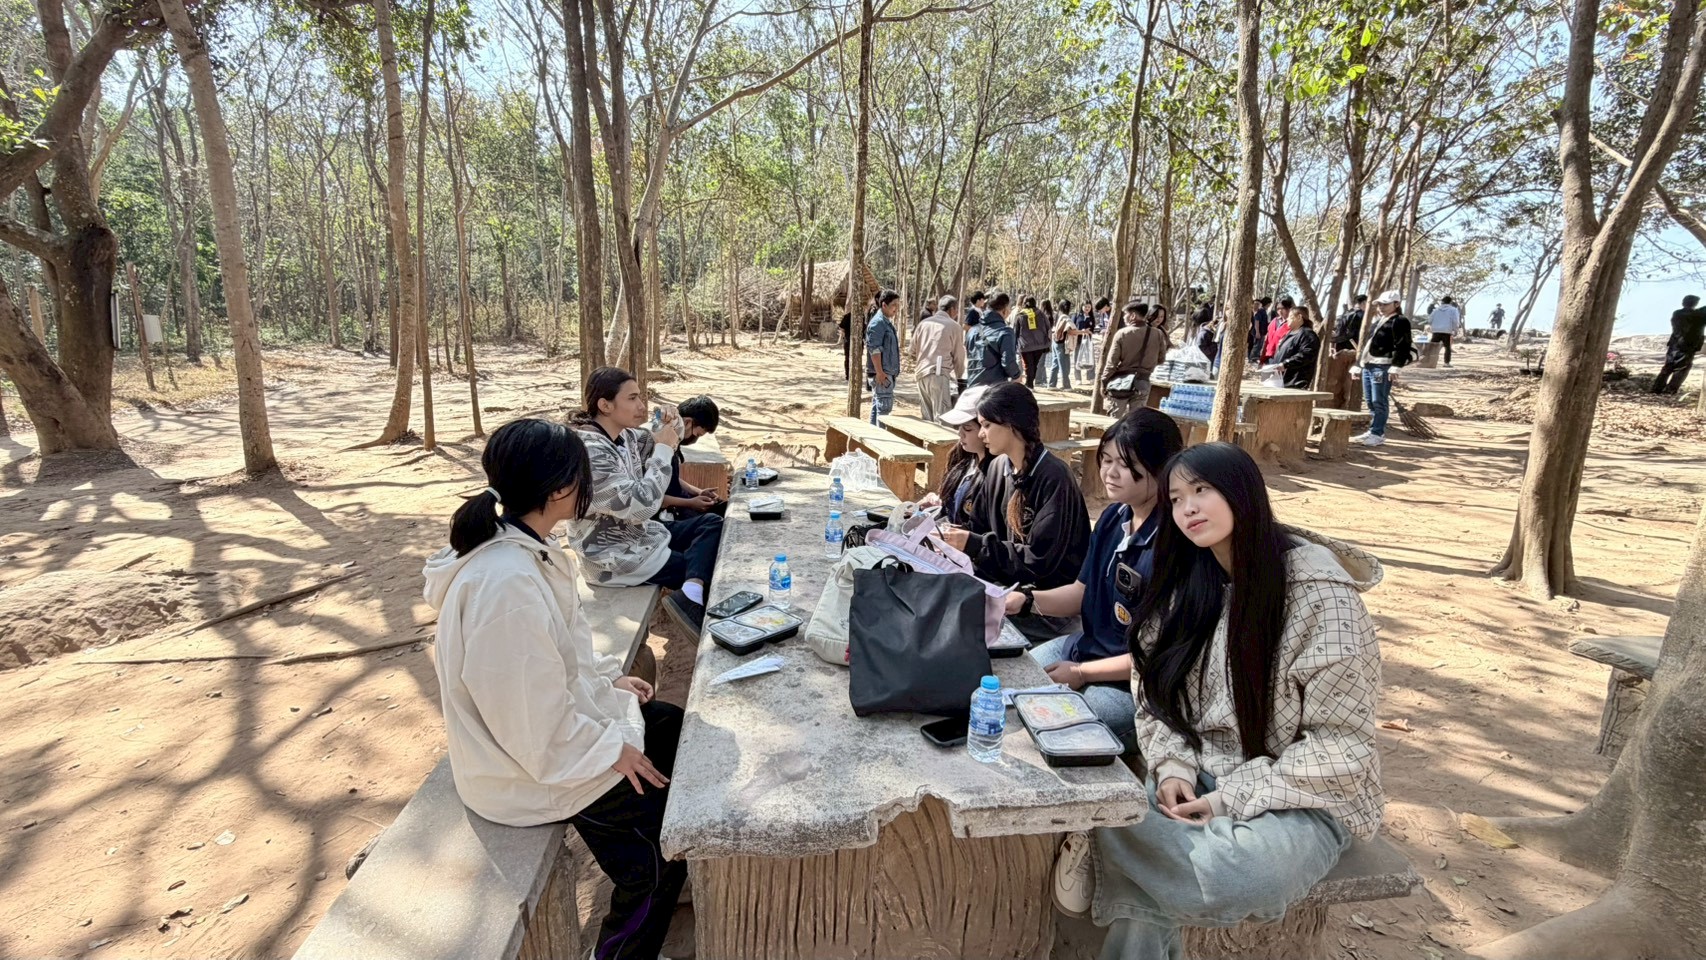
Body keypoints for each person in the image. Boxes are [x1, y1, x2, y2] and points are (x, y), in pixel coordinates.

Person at [1054, 441, 1383, 958]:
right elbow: (1154, 693)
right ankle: (1126, 842)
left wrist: (1228, 799)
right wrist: (1173, 768)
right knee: (1149, 855)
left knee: (1241, 877)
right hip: (1198, 771)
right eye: (1176, 498)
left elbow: (1342, 747)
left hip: (1302, 797)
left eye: (1201, 490)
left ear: (1241, 492)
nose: (1187, 508)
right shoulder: (1187, 581)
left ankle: (1103, 840)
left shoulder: (1321, 595)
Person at [423, 418, 685, 960]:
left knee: (673, 729)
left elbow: (556, 652)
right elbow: (528, 723)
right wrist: (611, 749)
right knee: (656, 862)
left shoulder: (520, 546)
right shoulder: (505, 585)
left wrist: (606, 677)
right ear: (563, 489)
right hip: (526, 769)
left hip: (548, 734)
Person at [1012, 410, 1183, 752]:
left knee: (1054, 727)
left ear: (1162, 467)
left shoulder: (1173, 543)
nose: (1110, 473)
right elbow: (1081, 593)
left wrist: (1081, 674)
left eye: (1126, 464)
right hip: (1084, 649)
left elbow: (1156, 657)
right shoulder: (1113, 517)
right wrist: (1025, 600)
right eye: (1106, 460)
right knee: (1015, 678)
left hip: (1134, 688)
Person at [568, 367, 723, 631]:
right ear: (605, 405)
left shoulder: (624, 437)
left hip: (640, 537)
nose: (642, 406)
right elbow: (641, 506)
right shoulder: (591, 452)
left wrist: (671, 417)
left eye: (640, 396)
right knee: (709, 568)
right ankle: (695, 600)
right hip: (614, 558)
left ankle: (690, 593)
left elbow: (669, 434)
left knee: (711, 524)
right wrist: (663, 448)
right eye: (632, 398)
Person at [938, 382, 1091, 641]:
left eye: (986, 425)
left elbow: (1039, 563)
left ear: (1011, 424)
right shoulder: (998, 467)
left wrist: (974, 545)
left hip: (1044, 609)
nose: (982, 434)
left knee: (957, 632)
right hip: (1004, 590)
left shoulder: (1054, 478)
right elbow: (978, 530)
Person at [919, 385, 994, 528]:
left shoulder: (996, 474)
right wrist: (939, 504)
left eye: (967, 428)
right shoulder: (964, 459)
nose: (960, 433)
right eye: (959, 427)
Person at [1351, 290, 1414, 447]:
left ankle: (1377, 433)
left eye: (1385, 304)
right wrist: (1358, 365)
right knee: (1370, 401)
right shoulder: (1379, 321)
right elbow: (1367, 344)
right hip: (1369, 365)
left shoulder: (1400, 321)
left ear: (1396, 304)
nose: (1381, 307)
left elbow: (1403, 345)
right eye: (1379, 304)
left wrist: (1396, 366)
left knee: (1379, 400)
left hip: (1383, 365)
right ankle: (1373, 429)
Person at [657, 395, 727, 521]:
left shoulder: (674, 442)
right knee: (714, 521)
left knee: (724, 507)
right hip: (666, 514)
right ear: (687, 423)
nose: (695, 440)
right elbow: (653, 498)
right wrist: (690, 503)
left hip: (681, 502)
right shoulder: (658, 446)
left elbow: (671, 478)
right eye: (697, 434)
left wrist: (699, 492)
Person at [1100, 300, 1169, 416]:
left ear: (1133, 315)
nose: (1124, 318)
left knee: (1114, 420)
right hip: (1143, 383)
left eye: (1125, 314)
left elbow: (1111, 363)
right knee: (1136, 420)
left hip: (1121, 384)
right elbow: (1161, 359)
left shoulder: (1122, 334)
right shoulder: (1158, 334)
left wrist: (1104, 382)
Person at [912, 295, 967, 422]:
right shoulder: (954, 326)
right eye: (957, 310)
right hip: (938, 374)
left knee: (927, 418)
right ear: (952, 309)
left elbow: (912, 350)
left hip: (921, 373)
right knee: (942, 418)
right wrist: (959, 378)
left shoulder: (923, 324)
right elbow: (959, 356)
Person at [1653, 295, 1706, 395]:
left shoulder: (1677, 313)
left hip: (1674, 344)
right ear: (1695, 304)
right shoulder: (1698, 315)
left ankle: (1657, 388)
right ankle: (1670, 390)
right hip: (1688, 345)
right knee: (1682, 368)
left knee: (1668, 366)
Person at [967, 290, 1022, 386]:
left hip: (972, 385)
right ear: (1004, 310)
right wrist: (1017, 375)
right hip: (994, 387)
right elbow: (1008, 362)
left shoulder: (972, 331)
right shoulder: (1005, 332)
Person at [865, 289, 902, 424]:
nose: (896, 309)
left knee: (878, 406)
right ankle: (880, 434)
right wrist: (880, 372)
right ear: (884, 305)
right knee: (884, 410)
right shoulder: (878, 323)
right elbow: (874, 350)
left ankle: (873, 434)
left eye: (897, 305)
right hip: (882, 373)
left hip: (885, 372)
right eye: (893, 305)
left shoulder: (885, 322)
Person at [1270, 307, 1321, 389]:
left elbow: (1307, 354)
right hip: (1279, 380)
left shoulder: (1307, 334)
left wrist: (1286, 364)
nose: (1287, 319)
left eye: (1290, 316)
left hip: (1294, 382)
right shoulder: (1291, 333)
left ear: (1299, 317)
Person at [1016, 295, 1052, 388]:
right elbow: (1048, 327)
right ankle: (1030, 382)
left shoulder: (1020, 315)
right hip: (1040, 345)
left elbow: (1016, 331)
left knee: (1028, 365)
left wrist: (1015, 344)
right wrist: (1047, 342)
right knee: (1035, 364)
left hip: (1025, 345)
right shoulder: (1041, 314)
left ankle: (1029, 383)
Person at [1049, 299, 1079, 390]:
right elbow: (1070, 331)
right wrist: (1084, 332)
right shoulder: (1066, 318)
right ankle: (1066, 385)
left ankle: (1052, 384)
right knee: (1064, 365)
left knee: (1055, 364)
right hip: (1062, 344)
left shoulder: (1057, 315)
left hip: (1055, 342)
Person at [1427, 296, 1463, 366]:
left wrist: (1434, 326)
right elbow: (1455, 321)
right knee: (1447, 347)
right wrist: (1455, 330)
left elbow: (1430, 320)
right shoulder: (1453, 310)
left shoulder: (1436, 310)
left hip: (1436, 331)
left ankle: (1428, 361)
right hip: (1447, 331)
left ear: (1442, 302)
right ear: (1450, 302)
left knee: (1432, 346)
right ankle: (1446, 362)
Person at [839, 312, 852, 380]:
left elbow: (841, 328)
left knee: (847, 358)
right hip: (848, 340)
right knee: (848, 358)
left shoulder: (847, 316)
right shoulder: (847, 316)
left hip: (848, 340)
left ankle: (848, 375)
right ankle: (848, 375)